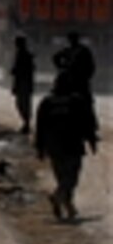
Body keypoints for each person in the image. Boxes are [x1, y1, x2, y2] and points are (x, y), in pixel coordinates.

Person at [35, 72, 99, 221]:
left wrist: (40, 147)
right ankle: (59, 197)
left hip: (55, 146)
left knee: (62, 177)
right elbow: (87, 124)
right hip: (72, 145)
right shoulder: (76, 101)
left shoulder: (47, 102)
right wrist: (92, 140)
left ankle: (67, 205)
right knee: (71, 178)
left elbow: (40, 127)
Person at [53, 32, 96, 100]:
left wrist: (61, 66)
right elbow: (56, 57)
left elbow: (91, 65)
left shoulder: (80, 50)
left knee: (84, 95)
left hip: (79, 76)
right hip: (74, 76)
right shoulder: (70, 50)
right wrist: (62, 67)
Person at [11, 35, 35, 134]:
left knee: (22, 104)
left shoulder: (23, 55)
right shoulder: (23, 54)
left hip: (23, 83)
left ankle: (26, 124)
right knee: (23, 104)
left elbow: (22, 70)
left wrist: (14, 71)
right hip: (24, 83)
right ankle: (26, 124)